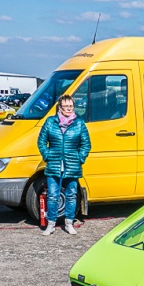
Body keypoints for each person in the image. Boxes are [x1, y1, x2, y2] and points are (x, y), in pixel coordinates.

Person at [37, 93, 91, 236]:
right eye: (66, 106)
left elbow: (86, 144)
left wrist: (80, 158)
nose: (69, 108)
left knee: (72, 195)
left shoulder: (79, 123)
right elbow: (41, 141)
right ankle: (51, 224)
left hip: (72, 164)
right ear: (59, 108)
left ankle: (69, 223)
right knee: (53, 196)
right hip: (54, 163)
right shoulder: (50, 122)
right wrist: (47, 155)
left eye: (71, 106)